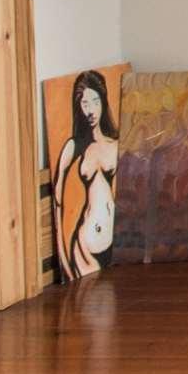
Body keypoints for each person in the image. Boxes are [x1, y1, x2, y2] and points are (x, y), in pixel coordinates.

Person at [48, 68, 119, 282]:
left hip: (116, 242)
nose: (90, 110)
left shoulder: (115, 143)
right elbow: (57, 202)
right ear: (78, 106)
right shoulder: (74, 146)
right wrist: (63, 259)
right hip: (85, 246)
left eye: (95, 101)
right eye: (84, 103)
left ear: (104, 101)